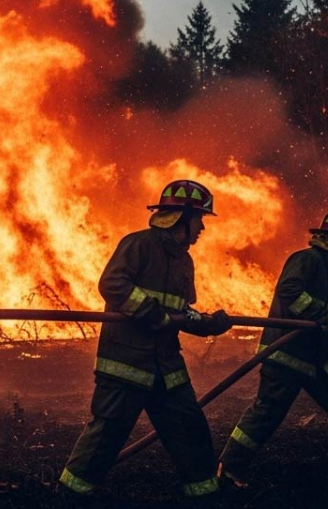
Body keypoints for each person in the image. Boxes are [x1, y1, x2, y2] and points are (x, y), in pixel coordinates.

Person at [59, 180, 232, 503]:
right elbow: (112, 284)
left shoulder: (184, 261)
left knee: (190, 430)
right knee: (105, 437)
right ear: (182, 218)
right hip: (127, 364)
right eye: (199, 220)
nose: (202, 229)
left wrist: (208, 325)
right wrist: (152, 313)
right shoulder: (138, 245)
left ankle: (206, 497)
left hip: (167, 367)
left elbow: (179, 313)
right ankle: (69, 497)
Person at [218, 209, 328, 496]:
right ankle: (227, 471)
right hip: (286, 353)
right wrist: (326, 318)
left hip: (314, 356)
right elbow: (290, 291)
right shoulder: (306, 260)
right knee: (266, 414)